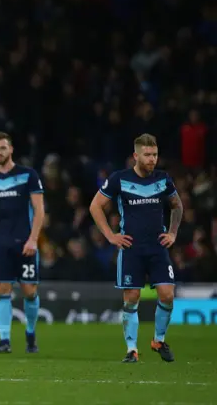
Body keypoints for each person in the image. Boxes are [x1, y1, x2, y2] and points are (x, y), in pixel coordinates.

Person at [89, 133, 182, 363]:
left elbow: (177, 205)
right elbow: (95, 206)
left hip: (157, 247)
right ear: (135, 155)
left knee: (167, 294)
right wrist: (111, 235)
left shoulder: (163, 179)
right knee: (132, 297)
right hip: (131, 248)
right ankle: (132, 349)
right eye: (147, 155)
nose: (152, 159)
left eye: (155, 154)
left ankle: (158, 340)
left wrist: (172, 232)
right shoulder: (120, 179)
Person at [0, 132, 45, 354]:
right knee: (2, 288)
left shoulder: (28, 175)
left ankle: (31, 332)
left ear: (11, 149)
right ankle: (4, 340)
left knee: (29, 291)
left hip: (24, 241)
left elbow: (39, 210)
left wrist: (33, 239)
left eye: (2, 148)